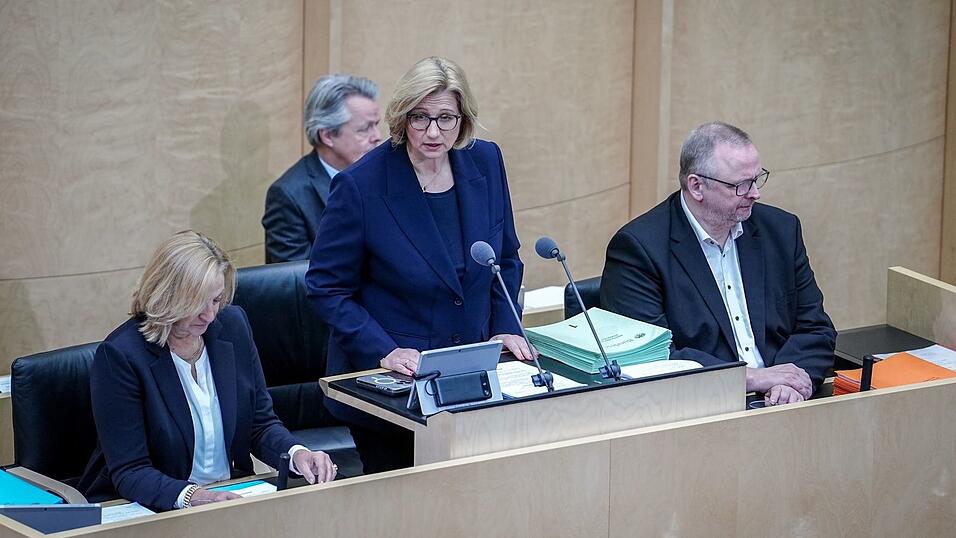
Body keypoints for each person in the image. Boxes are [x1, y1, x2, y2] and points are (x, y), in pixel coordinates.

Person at [305, 56, 535, 472]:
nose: (433, 132)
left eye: (446, 118)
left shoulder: (485, 160)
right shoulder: (361, 185)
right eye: (420, 118)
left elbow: (504, 257)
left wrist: (505, 325)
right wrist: (384, 350)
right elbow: (326, 288)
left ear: (463, 119)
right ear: (401, 116)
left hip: (471, 373)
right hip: (395, 387)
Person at [78, 231, 337, 511]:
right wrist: (196, 497)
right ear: (166, 296)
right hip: (157, 506)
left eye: (215, 300)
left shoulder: (233, 326)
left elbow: (259, 424)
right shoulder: (121, 356)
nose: (210, 315)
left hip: (229, 497)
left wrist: (297, 453)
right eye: (197, 303)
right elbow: (131, 471)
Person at [601, 121, 835, 405]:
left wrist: (791, 383)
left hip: (785, 403)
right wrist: (751, 378)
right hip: (701, 410)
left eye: (757, 179)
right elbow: (652, 357)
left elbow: (815, 328)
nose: (755, 193)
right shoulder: (639, 249)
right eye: (740, 185)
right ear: (697, 186)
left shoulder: (781, 231)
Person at [262, 75, 382, 263]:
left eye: (376, 125)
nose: (377, 136)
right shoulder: (289, 196)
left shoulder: (384, 173)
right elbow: (296, 281)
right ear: (327, 136)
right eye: (365, 129)